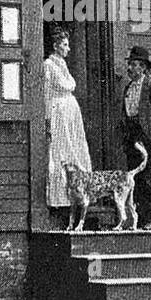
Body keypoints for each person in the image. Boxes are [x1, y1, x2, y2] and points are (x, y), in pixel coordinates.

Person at [120, 45, 151, 229]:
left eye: (134, 65)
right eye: (130, 64)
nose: (130, 68)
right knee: (133, 180)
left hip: (146, 140)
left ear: (142, 67)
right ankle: (137, 219)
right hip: (132, 139)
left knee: (147, 179)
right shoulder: (128, 88)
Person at [44, 27, 91, 219]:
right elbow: (47, 93)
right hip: (58, 114)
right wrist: (47, 119)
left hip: (71, 115)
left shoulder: (62, 64)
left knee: (75, 149)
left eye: (68, 44)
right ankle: (61, 199)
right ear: (55, 46)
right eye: (64, 45)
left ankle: (79, 195)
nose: (68, 48)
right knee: (61, 152)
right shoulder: (48, 65)